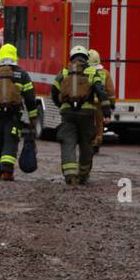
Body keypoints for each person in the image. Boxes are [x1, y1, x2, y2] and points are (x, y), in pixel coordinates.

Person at [51, 45, 111, 185]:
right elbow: (100, 91)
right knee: (86, 144)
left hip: (67, 114)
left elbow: (53, 91)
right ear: (86, 57)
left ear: (71, 57)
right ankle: (83, 175)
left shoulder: (64, 72)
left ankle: (70, 176)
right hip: (86, 114)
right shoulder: (91, 72)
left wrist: (61, 105)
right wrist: (106, 110)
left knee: (68, 143)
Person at [0, 43, 38, 181]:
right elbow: (30, 98)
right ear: (14, 56)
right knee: (10, 141)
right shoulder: (22, 74)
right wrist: (33, 117)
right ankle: (7, 171)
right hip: (13, 115)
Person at [86, 49, 116, 152]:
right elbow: (110, 91)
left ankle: (87, 141)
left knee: (87, 123)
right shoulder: (105, 73)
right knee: (99, 123)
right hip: (100, 103)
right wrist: (112, 104)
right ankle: (97, 141)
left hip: (87, 103)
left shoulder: (84, 72)